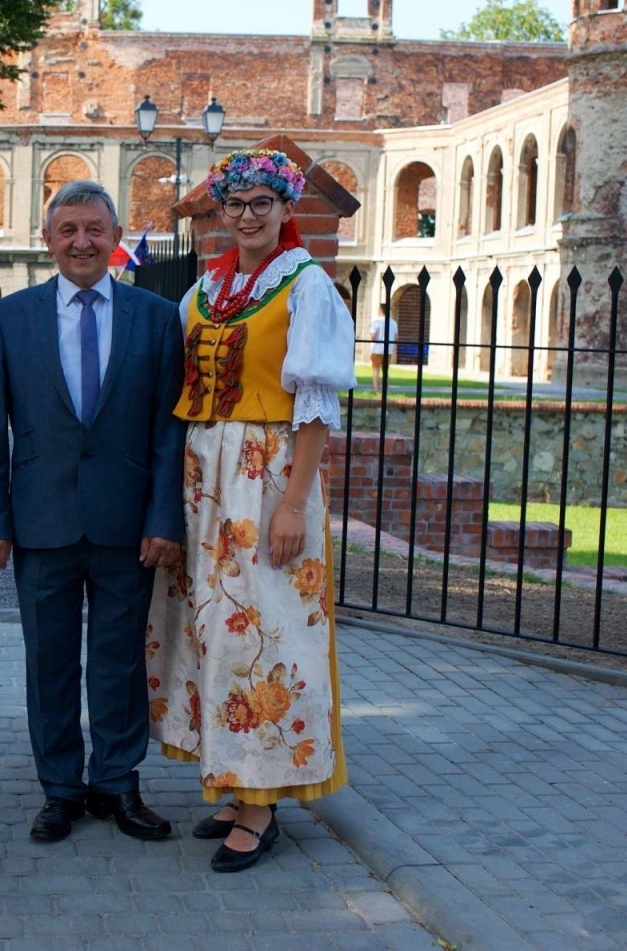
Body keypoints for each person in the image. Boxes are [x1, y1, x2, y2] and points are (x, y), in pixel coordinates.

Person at [146, 149, 357, 873]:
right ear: (219, 212)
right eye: (234, 203)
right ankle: (237, 785)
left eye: (262, 202)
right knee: (210, 628)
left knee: (263, 631)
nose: (246, 215)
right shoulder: (205, 290)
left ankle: (263, 802)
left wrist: (293, 501)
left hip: (267, 478)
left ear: (285, 208)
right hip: (204, 480)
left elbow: (316, 407)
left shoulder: (307, 287)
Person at [0, 180, 185, 845]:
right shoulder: (10, 317)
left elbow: (168, 430)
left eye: (95, 228)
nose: (82, 241)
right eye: (68, 230)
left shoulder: (156, 316)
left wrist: (164, 518)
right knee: (49, 660)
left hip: (128, 524)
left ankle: (117, 781)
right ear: (47, 240)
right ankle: (59, 787)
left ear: (115, 237)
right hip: (41, 521)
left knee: (119, 660)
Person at [369, 302, 397, 393]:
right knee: (385, 371)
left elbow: (373, 336)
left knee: (376, 370)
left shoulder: (376, 321)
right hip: (388, 350)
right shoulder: (393, 323)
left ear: (381, 310)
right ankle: (386, 391)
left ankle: (377, 391)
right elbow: (396, 338)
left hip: (377, 349)